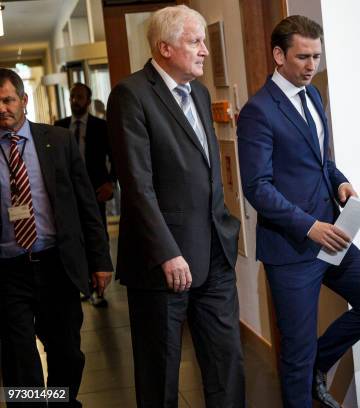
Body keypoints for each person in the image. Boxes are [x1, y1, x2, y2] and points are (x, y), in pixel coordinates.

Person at [237, 15, 360, 408]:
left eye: (317, 57)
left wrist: (340, 181)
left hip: (333, 239)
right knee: (296, 354)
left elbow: (320, 162)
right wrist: (310, 227)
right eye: (303, 57)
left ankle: (317, 367)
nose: (312, 66)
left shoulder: (314, 96)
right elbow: (258, 187)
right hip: (292, 251)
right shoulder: (259, 111)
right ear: (278, 55)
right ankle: (308, 370)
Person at [106, 5, 244, 408]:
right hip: (163, 263)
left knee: (227, 364)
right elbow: (136, 185)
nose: (204, 50)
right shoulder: (131, 94)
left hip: (215, 252)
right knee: (161, 373)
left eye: (203, 41)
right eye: (194, 41)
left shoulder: (200, 94)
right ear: (165, 48)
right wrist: (168, 252)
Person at [0, 68, 113, 406]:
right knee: (22, 362)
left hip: (56, 265)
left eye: (7, 100)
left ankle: (62, 402)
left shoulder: (58, 141)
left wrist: (100, 261)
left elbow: (86, 206)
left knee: (67, 354)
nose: (2, 108)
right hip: (8, 272)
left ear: (24, 100)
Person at [55, 83, 115, 307]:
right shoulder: (59, 128)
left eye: (79, 97)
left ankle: (100, 285)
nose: (74, 100)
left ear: (88, 101)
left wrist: (111, 182)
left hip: (95, 193)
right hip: (67, 196)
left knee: (97, 234)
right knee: (74, 237)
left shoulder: (101, 127)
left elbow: (116, 157)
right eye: (72, 96)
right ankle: (85, 285)